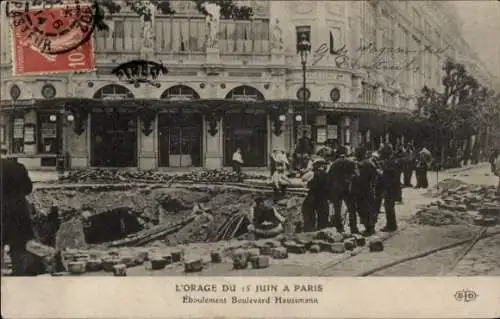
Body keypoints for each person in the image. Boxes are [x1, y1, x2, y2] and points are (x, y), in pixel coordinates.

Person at [1, 152, 36, 276]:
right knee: (18, 249)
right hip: (17, 214)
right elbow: (28, 188)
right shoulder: (18, 167)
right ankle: (18, 277)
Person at [327, 146, 360, 234]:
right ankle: (354, 229)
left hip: (336, 188)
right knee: (352, 209)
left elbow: (329, 177)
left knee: (337, 209)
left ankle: (339, 228)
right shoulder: (351, 162)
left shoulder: (334, 164)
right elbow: (356, 175)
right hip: (347, 188)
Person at [354, 147, 381, 236]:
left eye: (357, 153)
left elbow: (376, 174)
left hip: (366, 189)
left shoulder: (367, 163)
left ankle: (370, 228)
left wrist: (372, 184)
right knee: (362, 209)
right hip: (360, 189)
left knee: (367, 208)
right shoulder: (359, 163)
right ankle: (368, 227)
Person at [302, 157, 330, 231]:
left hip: (313, 195)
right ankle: (322, 228)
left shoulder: (313, 173)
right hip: (323, 196)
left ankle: (310, 228)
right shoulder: (326, 174)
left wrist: (309, 184)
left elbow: (308, 182)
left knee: (308, 210)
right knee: (323, 213)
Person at [378, 144, 402, 232]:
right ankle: (391, 224)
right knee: (389, 206)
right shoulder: (393, 160)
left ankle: (391, 225)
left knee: (388, 206)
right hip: (392, 187)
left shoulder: (391, 162)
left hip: (390, 188)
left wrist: (381, 171)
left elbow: (388, 176)